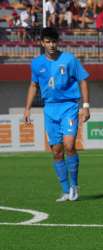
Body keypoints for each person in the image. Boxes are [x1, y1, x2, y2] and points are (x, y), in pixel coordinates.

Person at [23, 27, 90, 202]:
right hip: (50, 109)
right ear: (42, 43)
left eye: (54, 41)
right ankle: (65, 190)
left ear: (57, 42)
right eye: (47, 41)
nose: (51, 45)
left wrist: (86, 106)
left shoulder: (69, 59)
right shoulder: (37, 63)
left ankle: (74, 185)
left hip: (68, 106)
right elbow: (33, 86)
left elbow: (83, 81)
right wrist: (27, 109)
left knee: (69, 145)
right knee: (57, 152)